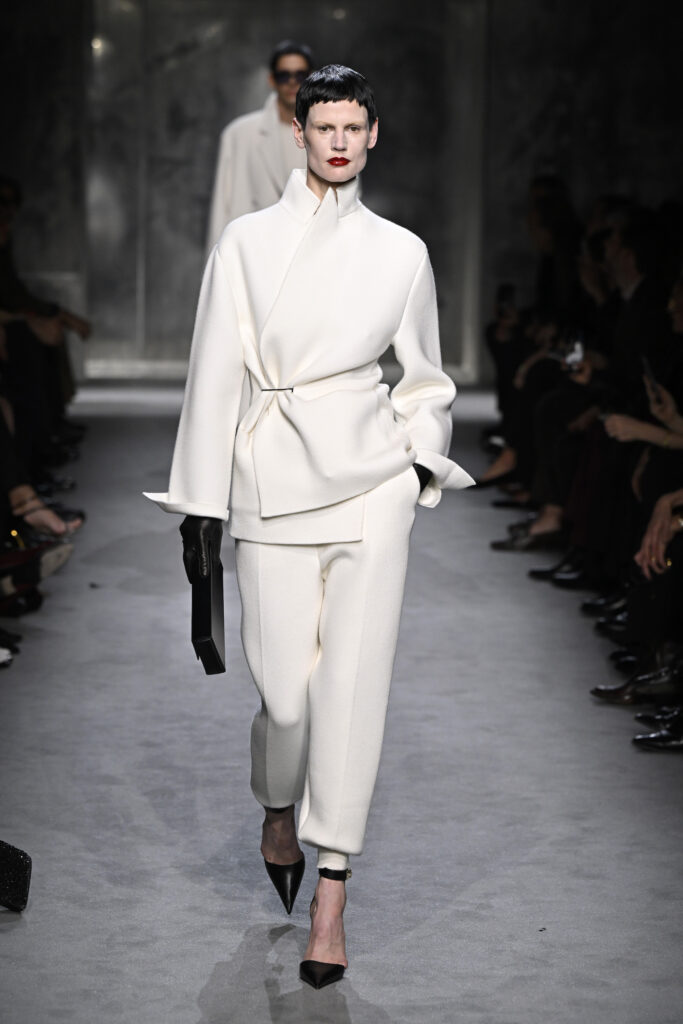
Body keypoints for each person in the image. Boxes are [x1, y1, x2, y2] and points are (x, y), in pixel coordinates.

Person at [146, 64, 473, 989]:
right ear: (298, 133)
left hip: (369, 487)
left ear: (372, 135)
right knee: (285, 697)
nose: (337, 142)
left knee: (354, 690)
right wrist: (201, 504)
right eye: (322, 127)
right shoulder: (246, 244)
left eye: (351, 128)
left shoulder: (401, 252)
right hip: (272, 480)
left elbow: (425, 380)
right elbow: (214, 373)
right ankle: (277, 805)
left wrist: (415, 465)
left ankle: (332, 894)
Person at [205, 40, 313, 250]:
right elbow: (221, 209)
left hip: (312, 254)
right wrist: (216, 262)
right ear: (272, 79)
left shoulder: (332, 134)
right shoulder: (239, 134)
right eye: (284, 76)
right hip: (254, 253)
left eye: (300, 75)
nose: (292, 83)